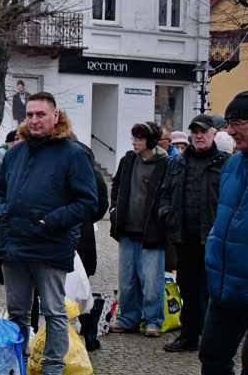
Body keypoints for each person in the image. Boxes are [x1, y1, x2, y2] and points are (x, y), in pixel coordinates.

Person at [171, 90, 248, 375]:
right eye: (228, 124)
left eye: (238, 123)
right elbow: (222, 221)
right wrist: (216, 256)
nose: (231, 132)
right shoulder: (232, 164)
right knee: (212, 356)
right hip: (225, 287)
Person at [0, 92, 98, 375]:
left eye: (41, 114)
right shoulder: (14, 153)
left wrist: (52, 221)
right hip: (14, 245)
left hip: (50, 246)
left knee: (54, 312)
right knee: (17, 314)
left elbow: (89, 203)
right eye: (31, 115)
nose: (35, 120)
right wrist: (1, 214)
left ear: (55, 117)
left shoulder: (72, 154)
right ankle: (18, 370)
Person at [159, 114, 229, 353]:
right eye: (195, 132)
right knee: (187, 288)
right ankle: (189, 336)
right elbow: (165, 192)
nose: (199, 136)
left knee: (212, 290)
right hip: (184, 238)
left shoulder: (226, 163)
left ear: (214, 134)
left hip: (213, 239)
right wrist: (166, 214)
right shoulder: (177, 162)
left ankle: (212, 338)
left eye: (203, 131)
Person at [109, 121, 170, 337]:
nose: (134, 142)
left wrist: (163, 217)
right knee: (127, 279)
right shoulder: (127, 160)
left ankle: (153, 320)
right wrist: (114, 208)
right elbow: (116, 185)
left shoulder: (166, 164)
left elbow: (169, 194)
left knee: (152, 280)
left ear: (151, 141)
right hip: (127, 230)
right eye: (133, 138)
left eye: (139, 139)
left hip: (152, 232)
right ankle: (128, 319)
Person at [68, 133, 109, 352]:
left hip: (69, 232)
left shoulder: (63, 168)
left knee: (51, 288)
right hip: (84, 232)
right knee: (81, 287)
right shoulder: (92, 170)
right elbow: (101, 206)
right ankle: (90, 335)